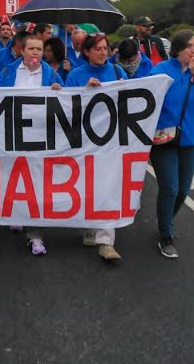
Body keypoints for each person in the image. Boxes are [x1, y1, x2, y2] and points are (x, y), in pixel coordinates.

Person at [149, 30, 194, 259]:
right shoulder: (161, 71)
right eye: (189, 46)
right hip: (164, 140)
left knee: (182, 190)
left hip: (191, 140)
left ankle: (166, 221)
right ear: (178, 48)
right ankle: (166, 235)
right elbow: (144, 98)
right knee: (170, 188)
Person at [0, 34, 63, 256]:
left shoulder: (52, 74)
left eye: (39, 49)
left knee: (36, 182)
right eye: (31, 48)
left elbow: (66, 101)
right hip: (13, 134)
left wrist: (58, 91)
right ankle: (16, 214)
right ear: (21, 51)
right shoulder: (7, 72)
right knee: (14, 176)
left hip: (40, 136)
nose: (35, 52)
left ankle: (35, 235)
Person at [65, 33, 128, 262]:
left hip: (110, 141)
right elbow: (65, 107)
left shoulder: (118, 72)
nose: (103, 52)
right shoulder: (75, 75)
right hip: (82, 141)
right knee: (86, 186)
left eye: (105, 48)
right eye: (98, 48)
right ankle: (90, 227)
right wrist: (84, 91)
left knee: (109, 187)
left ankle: (106, 242)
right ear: (87, 52)